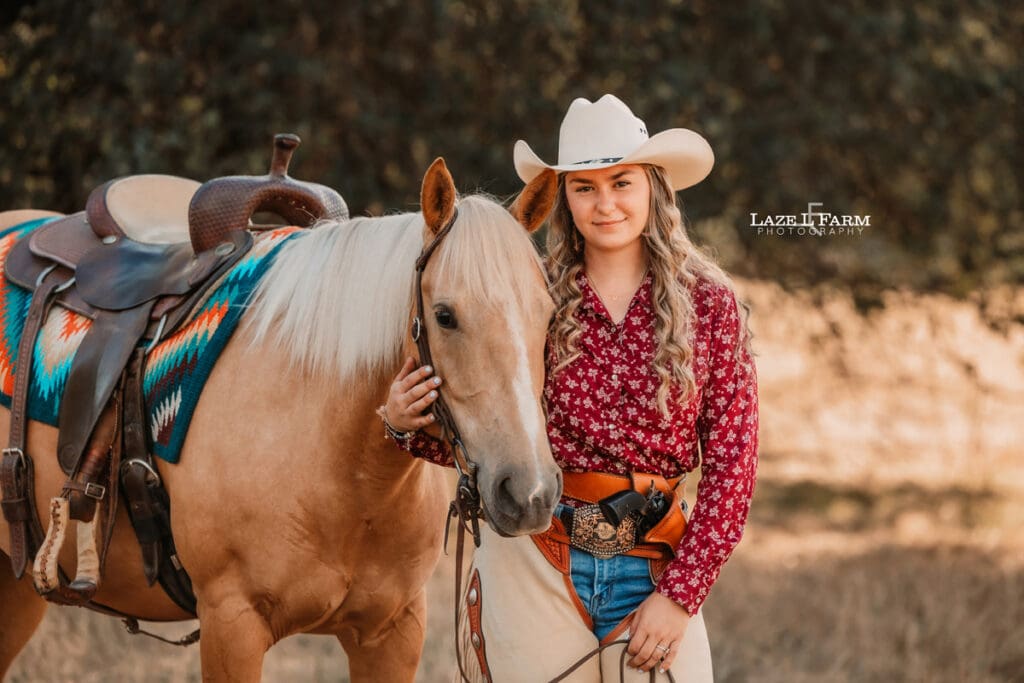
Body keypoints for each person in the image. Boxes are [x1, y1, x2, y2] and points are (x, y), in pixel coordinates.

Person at [382, 94, 758, 681]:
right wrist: (407, 428)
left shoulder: (708, 304)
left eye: (621, 183)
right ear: (565, 199)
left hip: (656, 563)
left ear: (653, 188)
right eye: (584, 187)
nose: (605, 203)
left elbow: (733, 468)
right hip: (538, 552)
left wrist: (681, 596)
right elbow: (495, 428)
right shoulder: (532, 296)